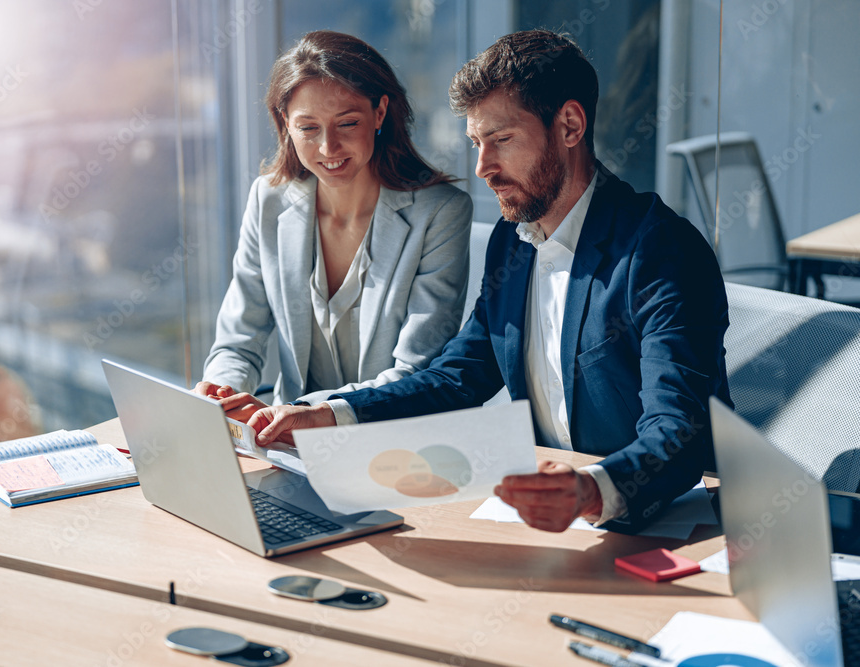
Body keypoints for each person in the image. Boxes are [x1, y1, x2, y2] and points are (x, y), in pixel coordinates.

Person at [248, 30, 732, 534]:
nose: (482, 168)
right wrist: (330, 414)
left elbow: (679, 433)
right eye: (477, 143)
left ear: (569, 125)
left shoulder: (661, 251)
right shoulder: (514, 240)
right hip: (555, 519)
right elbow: (457, 378)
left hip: (670, 523)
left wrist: (591, 490)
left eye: (501, 140)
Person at [196, 31, 473, 420]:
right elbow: (238, 342)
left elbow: (416, 369)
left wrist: (305, 413)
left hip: (389, 438)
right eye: (308, 128)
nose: (328, 148)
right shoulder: (268, 201)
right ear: (284, 123)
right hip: (286, 442)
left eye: (346, 123)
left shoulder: (441, 212)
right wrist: (221, 393)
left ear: (379, 113)